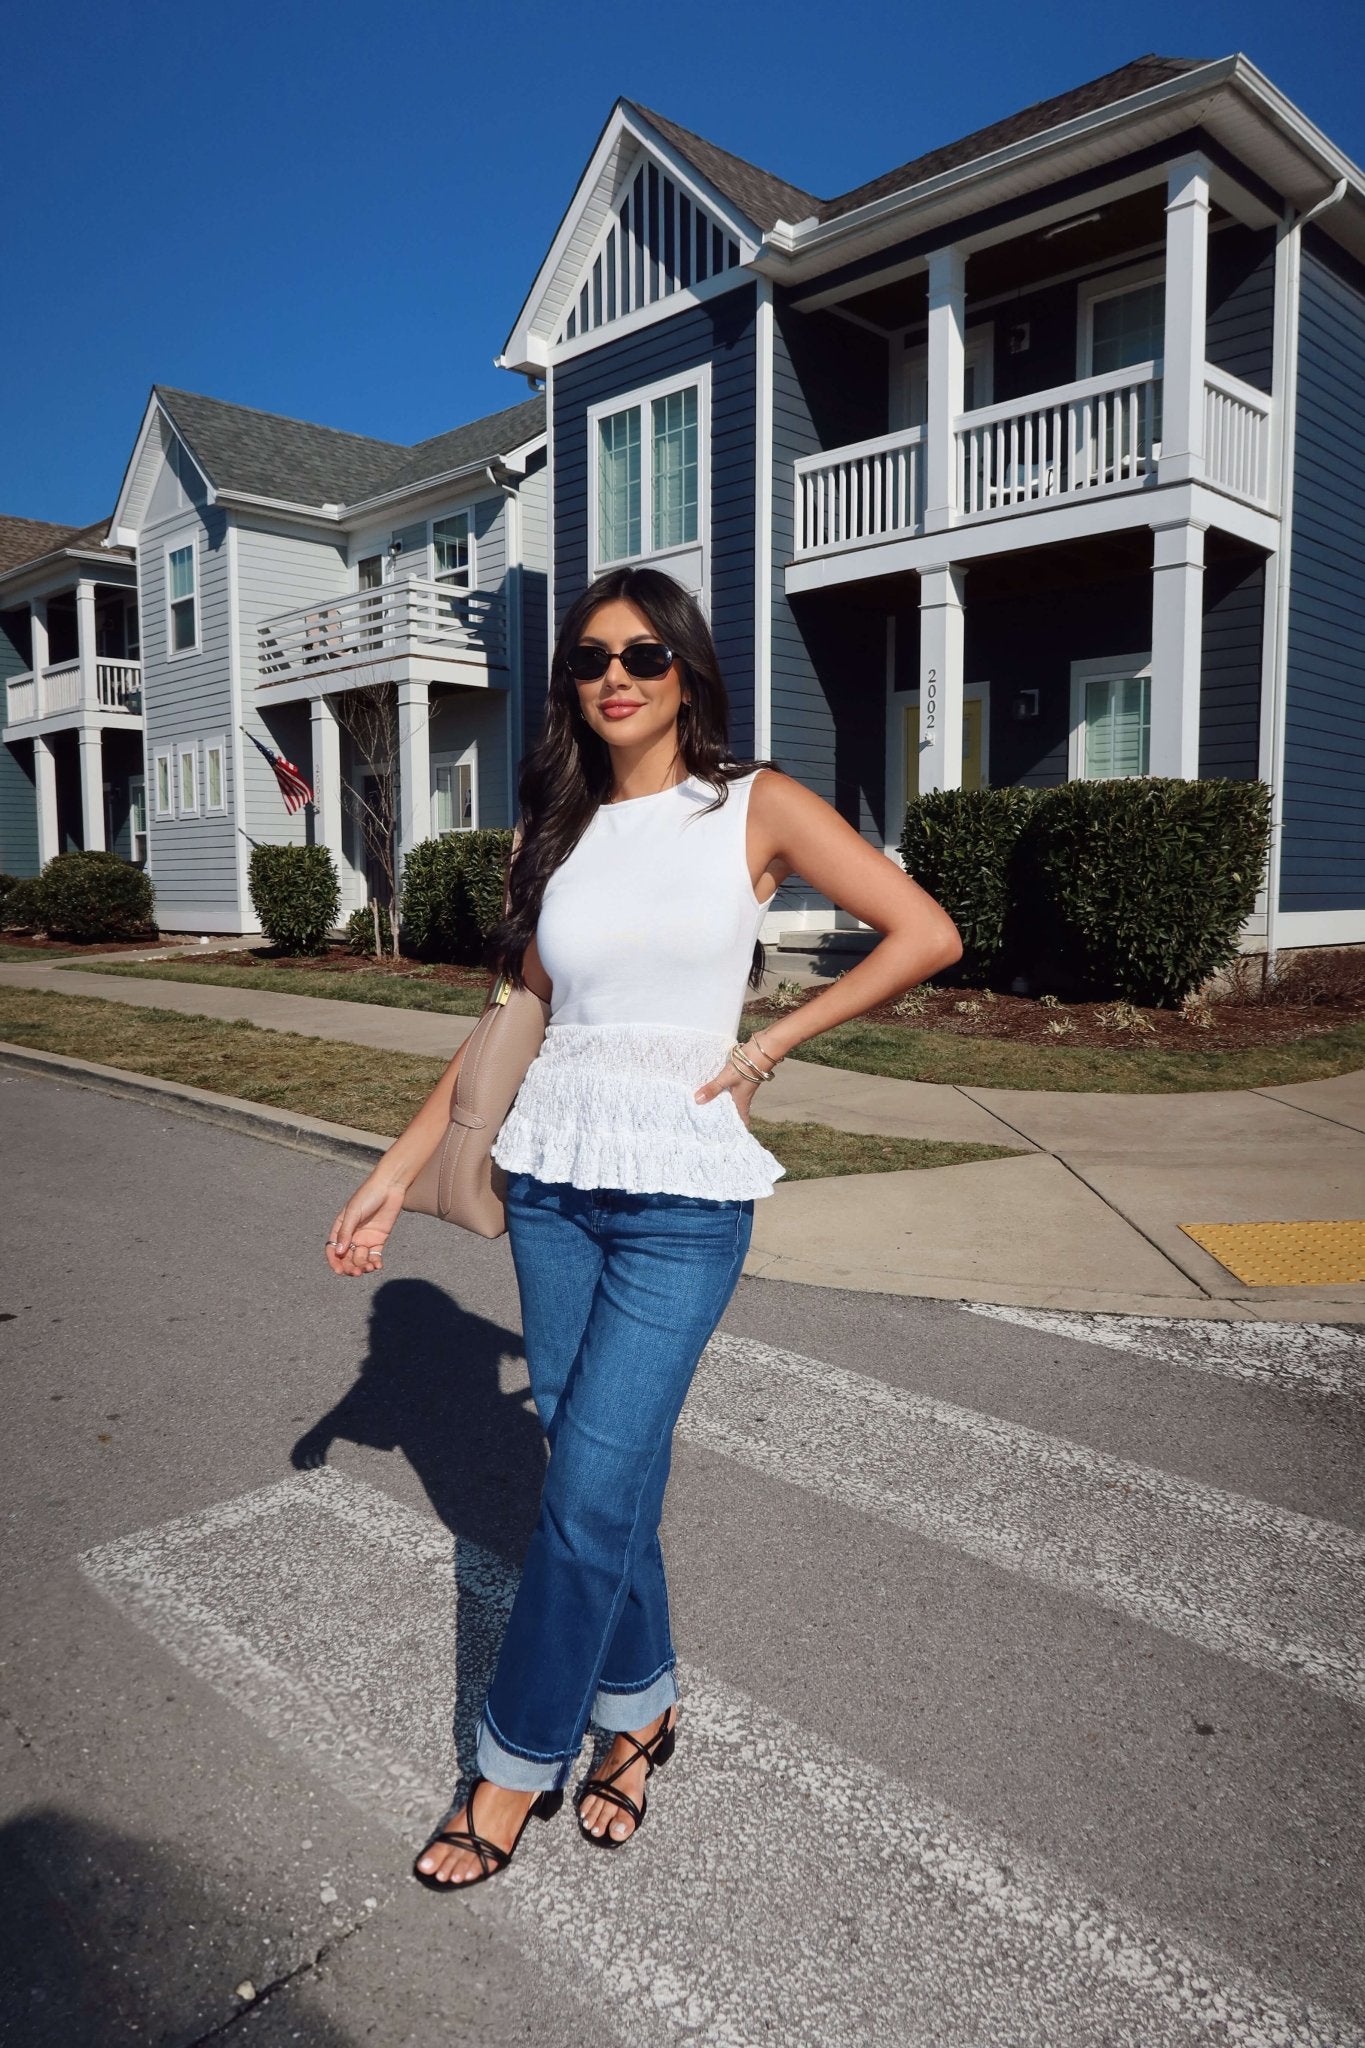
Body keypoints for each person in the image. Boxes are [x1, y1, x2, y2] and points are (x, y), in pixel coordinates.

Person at [325, 565, 962, 1889]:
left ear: (685, 670)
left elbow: (923, 931)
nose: (613, 673)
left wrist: (772, 1041)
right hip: (552, 1187)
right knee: (594, 1479)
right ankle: (642, 1708)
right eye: (588, 657)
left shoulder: (753, 805)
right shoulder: (547, 831)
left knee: (584, 1496)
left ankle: (508, 1768)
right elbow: (510, 1026)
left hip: (680, 1202)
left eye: (643, 654)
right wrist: (393, 1174)